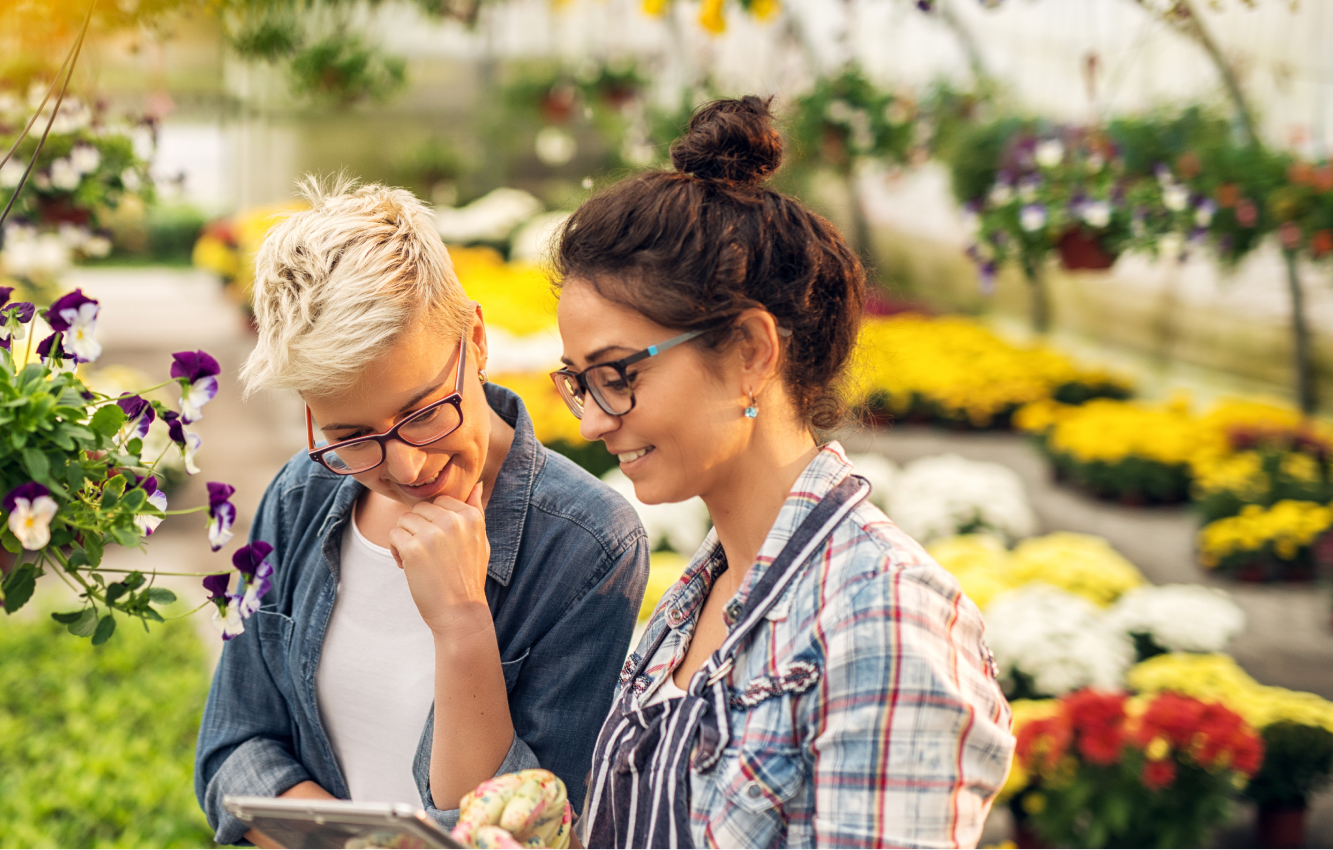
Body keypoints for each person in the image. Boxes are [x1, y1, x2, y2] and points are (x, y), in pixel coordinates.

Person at [551, 97, 1013, 848]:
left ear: (751, 354)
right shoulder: (698, 596)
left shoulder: (881, 621)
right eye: (577, 380)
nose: (592, 421)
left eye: (617, 373)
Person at [194, 178, 649, 846]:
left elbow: (522, 832)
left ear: (476, 337)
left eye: (423, 411)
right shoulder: (301, 495)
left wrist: (463, 623)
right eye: (352, 435)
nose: (406, 467)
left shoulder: (586, 546)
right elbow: (234, 748)